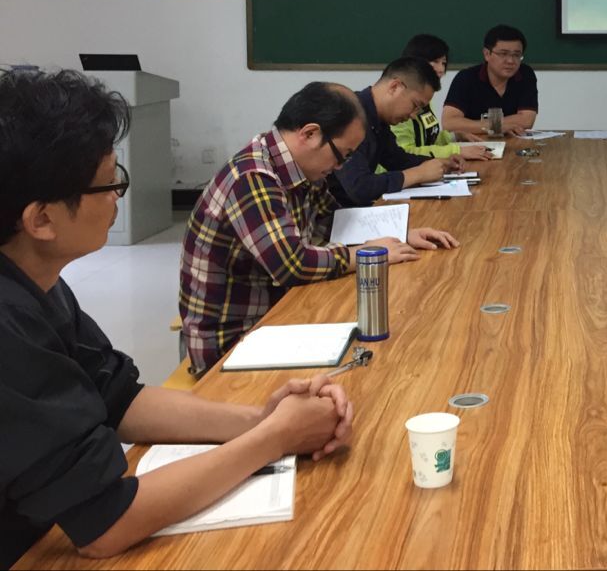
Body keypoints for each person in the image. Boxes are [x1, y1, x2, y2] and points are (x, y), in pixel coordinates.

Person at [0, 70, 355, 564]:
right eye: (111, 182)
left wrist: (262, 419)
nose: (119, 196)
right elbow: (105, 524)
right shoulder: (9, 326)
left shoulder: (37, 280)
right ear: (41, 219)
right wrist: (275, 438)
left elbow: (119, 398)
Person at [181, 81, 457, 373]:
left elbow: (335, 222)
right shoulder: (252, 178)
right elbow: (293, 264)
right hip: (234, 345)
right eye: (342, 155)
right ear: (310, 134)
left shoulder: (299, 169)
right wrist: (368, 253)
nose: (340, 167)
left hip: (278, 317)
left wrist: (399, 236)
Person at [328, 58, 462, 207]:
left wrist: (436, 163)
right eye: (415, 105)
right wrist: (418, 174)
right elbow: (360, 187)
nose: (413, 115)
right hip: (335, 214)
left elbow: (396, 159)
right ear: (394, 87)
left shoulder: (378, 118)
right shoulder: (350, 117)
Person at [393, 34, 493, 162]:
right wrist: (456, 150)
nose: (441, 69)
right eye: (435, 62)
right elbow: (403, 153)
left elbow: (428, 138)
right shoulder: (400, 102)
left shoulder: (425, 98)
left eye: (443, 63)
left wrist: (454, 137)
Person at [439, 24, 539, 138]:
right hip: (475, 143)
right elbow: (449, 123)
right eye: (503, 54)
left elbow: (526, 120)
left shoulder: (525, 74)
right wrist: (495, 126)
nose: (510, 61)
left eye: (516, 55)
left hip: (513, 142)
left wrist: (477, 125)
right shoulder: (466, 78)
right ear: (487, 54)